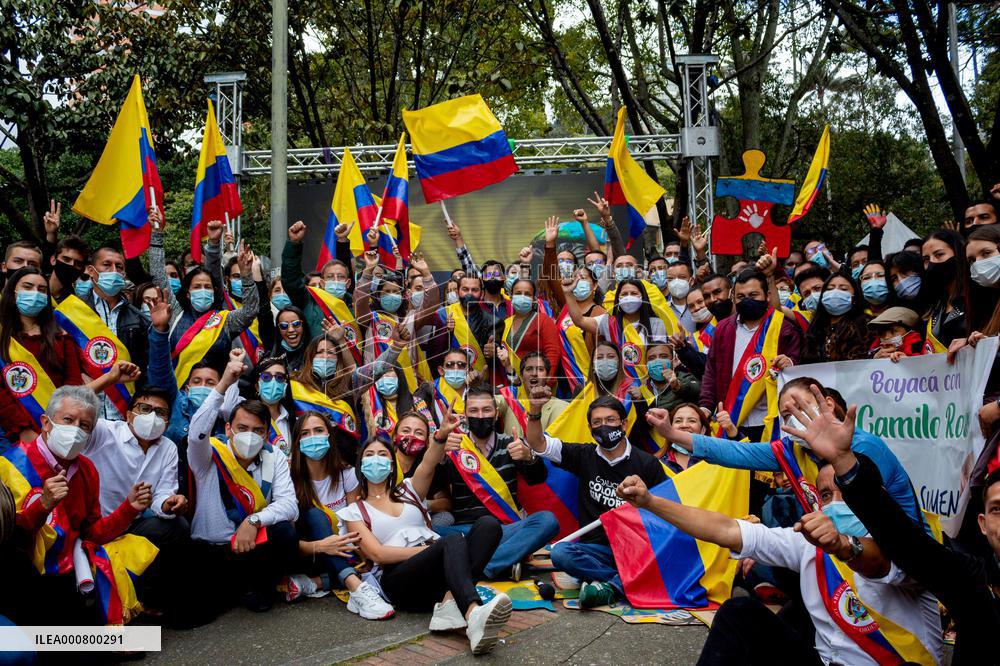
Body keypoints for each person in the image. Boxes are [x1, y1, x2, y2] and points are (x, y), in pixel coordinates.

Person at [616, 462, 943, 665]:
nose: (836, 503)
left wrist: (844, 546)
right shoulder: (807, 542)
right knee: (739, 612)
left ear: (877, 494)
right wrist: (651, 502)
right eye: (825, 495)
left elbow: (880, 564)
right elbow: (726, 529)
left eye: (847, 492)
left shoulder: (910, 541)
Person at [788, 382, 999, 664]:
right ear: (983, 523)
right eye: (997, 509)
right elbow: (904, 543)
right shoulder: (973, 581)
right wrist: (843, 461)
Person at [656, 376, 928, 529]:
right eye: (787, 415)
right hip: (842, 554)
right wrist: (672, 434)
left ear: (827, 403)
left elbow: (881, 522)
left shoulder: (865, 447)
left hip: (904, 556)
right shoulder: (792, 450)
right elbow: (735, 452)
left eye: (801, 407)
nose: (797, 418)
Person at [339, 432, 513, 656]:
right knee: (452, 540)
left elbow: (428, 463)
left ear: (391, 465)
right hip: (399, 580)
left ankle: (450, 604)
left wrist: (441, 436)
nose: (376, 459)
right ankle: (473, 612)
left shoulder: (409, 490)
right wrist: (430, 549)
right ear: (361, 466)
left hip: (439, 567)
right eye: (369, 455)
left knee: (488, 525)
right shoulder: (354, 511)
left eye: (382, 454)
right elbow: (378, 554)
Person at [0, 386, 152, 624]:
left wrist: (128, 508)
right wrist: (43, 505)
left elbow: (92, 533)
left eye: (84, 425)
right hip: (24, 575)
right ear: (46, 423)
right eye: (68, 420)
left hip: (71, 569)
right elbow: (8, 540)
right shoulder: (10, 465)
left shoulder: (87, 470)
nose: (75, 430)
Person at [524, 389, 667, 608]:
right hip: (595, 551)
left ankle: (614, 583)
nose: (604, 426)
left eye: (610, 420)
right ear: (590, 429)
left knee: (664, 555)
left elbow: (666, 511)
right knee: (560, 553)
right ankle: (619, 582)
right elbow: (538, 444)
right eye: (597, 422)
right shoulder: (584, 455)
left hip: (635, 549)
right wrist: (535, 411)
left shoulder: (647, 464)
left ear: (624, 424)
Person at [186, 348, 300, 615]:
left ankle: (256, 587)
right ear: (228, 429)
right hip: (211, 551)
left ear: (267, 433)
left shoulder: (273, 456)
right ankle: (230, 591)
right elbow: (195, 434)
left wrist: (253, 521)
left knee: (285, 532)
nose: (250, 436)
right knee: (189, 618)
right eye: (242, 428)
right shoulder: (209, 454)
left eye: (258, 430)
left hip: (252, 549)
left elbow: (289, 505)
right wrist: (224, 383)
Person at [82, 380, 193, 620]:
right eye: (144, 408)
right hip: (93, 528)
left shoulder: (168, 448)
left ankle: (151, 599)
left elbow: (162, 494)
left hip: (131, 526)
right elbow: (73, 405)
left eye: (160, 412)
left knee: (177, 527)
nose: (152, 416)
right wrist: (110, 378)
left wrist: (169, 503)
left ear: (167, 422)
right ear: (128, 414)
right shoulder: (104, 432)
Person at [435, 383, 558, 579]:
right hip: (466, 531)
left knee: (547, 521)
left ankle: (480, 568)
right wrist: (440, 454)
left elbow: (538, 478)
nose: (480, 416)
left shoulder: (511, 443)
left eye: (486, 410)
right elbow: (433, 487)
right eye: (474, 411)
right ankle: (504, 561)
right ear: (465, 415)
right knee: (430, 531)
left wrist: (529, 457)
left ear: (496, 414)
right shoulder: (455, 446)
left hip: (505, 530)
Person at [283, 409, 395, 619]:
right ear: (297, 441)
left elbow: (354, 521)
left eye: (318, 430)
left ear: (329, 435)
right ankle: (356, 587)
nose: (313, 437)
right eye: (305, 433)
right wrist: (321, 545)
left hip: (345, 551)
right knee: (315, 516)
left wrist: (364, 553)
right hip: (309, 553)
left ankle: (315, 583)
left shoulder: (347, 474)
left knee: (369, 563)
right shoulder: (289, 479)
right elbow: (286, 542)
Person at [699, 269, 802, 441]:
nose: (747, 300)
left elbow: (797, 366)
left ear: (767, 296)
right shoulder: (723, 329)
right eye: (741, 296)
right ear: (733, 298)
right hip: (731, 419)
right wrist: (705, 407)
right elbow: (711, 372)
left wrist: (789, 364)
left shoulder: (783, 328)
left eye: (753, 295)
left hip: (771, 421)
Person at [82, 244, 151, 418]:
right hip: (84, 413)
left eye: (119, 267)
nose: (114, 271)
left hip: (123, 415)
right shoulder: (73, 313)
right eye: (107, 265)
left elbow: (145, 370)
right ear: (91, 271)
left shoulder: (139, 319)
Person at [491, 278, 562, 386]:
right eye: (518, 293)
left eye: (527, 294)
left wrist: (545, 380)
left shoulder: (543, 320)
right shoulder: (506, 323)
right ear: (511, 297)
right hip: (513, 382)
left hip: (538, 384)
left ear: (534, 299)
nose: (522, 297)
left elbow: (553, 351)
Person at [801, 271, 872, 363]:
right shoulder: (815, 327)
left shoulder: (866, 325)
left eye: (843, 289)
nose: (835, 293)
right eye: (830, 289)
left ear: (855, 297)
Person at [495, 351, 569, 437]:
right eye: (529, 369)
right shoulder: (509, 397)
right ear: (521, 376)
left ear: (547, 377)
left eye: (540, 369)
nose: (534, 374)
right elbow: (487, 403)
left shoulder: (563, 408)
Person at [920, 229, 969, 352]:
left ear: (959, 254)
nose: (932, 262)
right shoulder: (933, 306)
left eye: (939, 255)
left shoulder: (978, 298)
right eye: (926, 259)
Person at [660, 403, 707, 473]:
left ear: (703, 430)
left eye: (692, 421)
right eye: (678, 421)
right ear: (670, 428)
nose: (684, 425)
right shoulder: (658, 464)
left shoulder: (716, 460)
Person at [47, 235, 90, 303]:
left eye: (78, 263)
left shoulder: (77, 305)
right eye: (66, 259)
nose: (71, 265)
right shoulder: (33, 289)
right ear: (53, 260)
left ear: (82, 269)